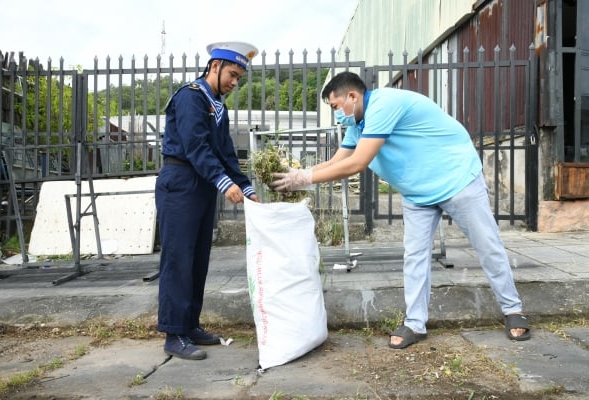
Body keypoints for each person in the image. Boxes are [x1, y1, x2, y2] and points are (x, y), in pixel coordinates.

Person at [270, 71, 531, 349]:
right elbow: (337, 161)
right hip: (418, 192)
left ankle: (513, 310)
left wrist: (304, 179)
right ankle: (415, 324)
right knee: (415, 257)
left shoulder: (384, 105)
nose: (336, 115)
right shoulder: (357, 124)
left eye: (335, 107)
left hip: (457, 179)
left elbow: (358, 163)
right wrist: (296, 174)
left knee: (487, 245)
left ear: (352, 97)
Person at [155, 41, 260, 360]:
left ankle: (190, 325)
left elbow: (224, 151)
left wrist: (245, 185)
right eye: (231, 74)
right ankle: (174, 333)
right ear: (214, 67)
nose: (234, 82)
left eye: (239, 77)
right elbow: (195, 146)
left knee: (198, 259)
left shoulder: (217, 105)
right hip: (180, 181)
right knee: (178, 258)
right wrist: (223, 182)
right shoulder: (190, 97)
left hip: (200, 184)